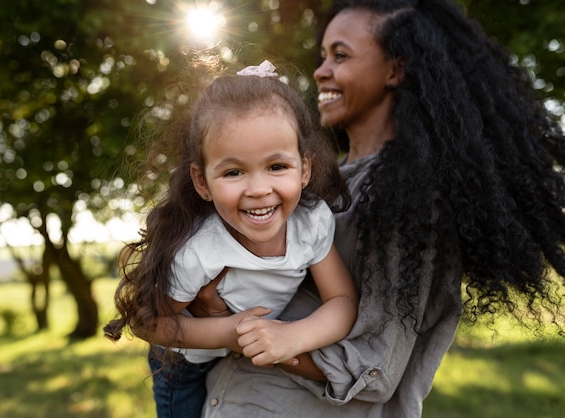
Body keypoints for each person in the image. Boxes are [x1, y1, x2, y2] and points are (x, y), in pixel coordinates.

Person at [185, 1, 565, 417]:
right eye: (323, 56)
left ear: (395, 70)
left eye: (341, 55)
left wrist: (264, 342)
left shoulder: (411, 198)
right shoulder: (309, 182)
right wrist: (215, 314)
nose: (321, 71)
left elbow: (375, 366)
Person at [103, 61, 358, 418]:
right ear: (202, 182)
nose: (258, 189)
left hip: (250, 358)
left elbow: (343, 300)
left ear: (305, 168)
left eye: (277, 166)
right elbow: (147, 323)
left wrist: (293, 337)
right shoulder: (199, 251)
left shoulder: (311, 222)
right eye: (234, 172)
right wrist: (228, 333)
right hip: (185, 367)